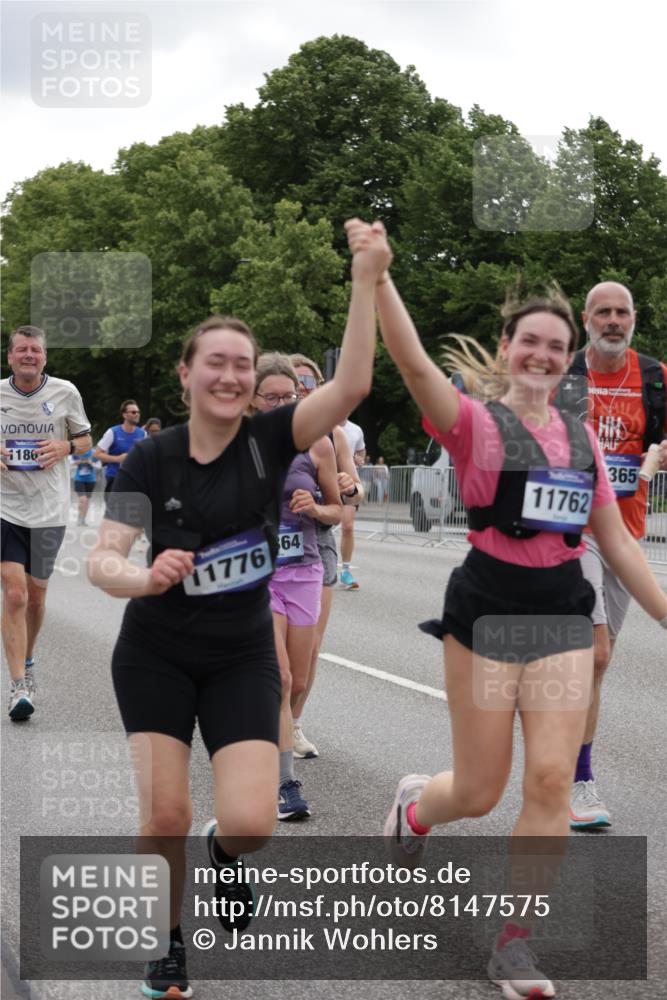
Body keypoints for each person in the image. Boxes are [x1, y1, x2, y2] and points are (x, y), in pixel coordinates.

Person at [86, 219, 391, 999]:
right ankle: (169, 940)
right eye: (212, 363)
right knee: (164, 813)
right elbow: (102, 558)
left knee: (252, 821)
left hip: (240, 655)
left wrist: (367, 278)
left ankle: (223, 858)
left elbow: (352, 385)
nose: (227, 375)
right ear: (185, 373)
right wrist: (142, 576)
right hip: (154, 652)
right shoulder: (152, 456)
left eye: (239, 365)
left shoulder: (269, 438)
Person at [367, 247, 667, 1000]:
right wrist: (377, 276)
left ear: (568, 364)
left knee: (547, 782)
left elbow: (617, 541)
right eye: (529, 340)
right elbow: (409, 366)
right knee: (475, 789)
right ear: (506, 349)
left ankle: (514, 943)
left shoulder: (582, 440)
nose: (541, 353)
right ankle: (413, 806)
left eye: (555, 347)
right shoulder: (473, 424)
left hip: (561, 610)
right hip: (488, 610)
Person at [559, 282, 667, 830]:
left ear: (633, 319)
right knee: (594, 654)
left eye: (622, 311)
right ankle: (579, 781)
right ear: (586, 318)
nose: (613, 320)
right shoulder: (564, 376)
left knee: (598, 664)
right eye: (603, 311)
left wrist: (651, 463)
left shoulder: (655, 378)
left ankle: (568, 763)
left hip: (626, 534)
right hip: (571, 532)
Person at [252, 353, 341, 817]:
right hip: (256, 574)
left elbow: (338, 510)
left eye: (289, 396)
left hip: (303, 569)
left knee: (300, 679)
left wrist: (315, 507)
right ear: (253, 400)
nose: (283, 404)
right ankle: (285, 785)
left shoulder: (318, 445)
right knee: (281, 677)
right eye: (274, 397)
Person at [1, 325, 92, 720]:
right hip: (5, 507)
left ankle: (29, 656)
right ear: (9, 357)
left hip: (49, 509)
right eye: (21, 349)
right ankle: (19, 685)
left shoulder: (65, 392)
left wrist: (65, 446)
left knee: (37, 597)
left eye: (35, 350)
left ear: (44, 357)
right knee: (16, 594)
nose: (28, 355)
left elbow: (87, 440)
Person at [289, 353, 364, 759]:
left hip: (318, 540)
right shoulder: (264, 431)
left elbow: (356, 491)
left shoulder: (334, 435)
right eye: (295, 381)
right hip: (271, 542)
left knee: (311, 648)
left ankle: (293, 724)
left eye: (309, 381)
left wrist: (348, 485)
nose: (302, 388)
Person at [95, 400, 146, 494]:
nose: (137, 414)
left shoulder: (143, 434)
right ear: (124, 415)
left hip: (135, 480)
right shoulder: (113, 432)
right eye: (133, 412)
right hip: (115, 478)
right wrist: (117, 458)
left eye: (138, 412)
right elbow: (97, 454)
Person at [338, 415, 366, 588]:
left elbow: (361, 451)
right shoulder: (323, 424)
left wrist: (360, 459)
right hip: (325, 479)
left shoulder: (356, 430)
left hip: (348, 483)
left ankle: (346, 570)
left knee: (348, 526)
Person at [72, 446, 98, 525]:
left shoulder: (94, 453)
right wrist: (79, 462)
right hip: (79, 479)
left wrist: (91, 463)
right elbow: (69, 464)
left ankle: (83, 519)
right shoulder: (76, 452)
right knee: (82, 499)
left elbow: (99, 466)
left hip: (91, 480)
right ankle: (79, 518)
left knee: (86, 501)